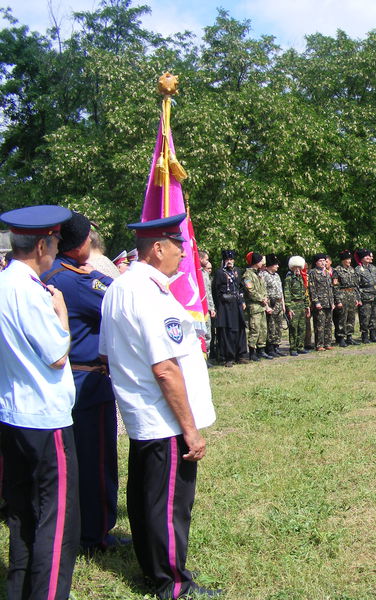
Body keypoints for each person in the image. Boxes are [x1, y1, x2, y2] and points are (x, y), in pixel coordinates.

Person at [99, 213, 220, 599]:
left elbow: (107, 353)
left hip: (143, 414)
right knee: (170, 504)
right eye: (179, 246)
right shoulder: (147, 291)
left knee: (147, 497)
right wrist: (190, 429)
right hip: (164, 418)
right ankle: (172, 581)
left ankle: (155, 568)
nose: (185, 255)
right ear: (158, 248)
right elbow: (166, 369)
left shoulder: (122, 285)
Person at [0, 205, 80, 600]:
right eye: (54, 243)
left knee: (22, 515)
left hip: (12, 413)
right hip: (45, 419)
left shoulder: (2, 283)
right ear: (43, 244)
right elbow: (56, 354)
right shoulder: (31, 291)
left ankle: (18, 589)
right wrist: (62, 315)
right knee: (57, 519)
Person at [40, 210, 124, 554]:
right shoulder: (77, 280)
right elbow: (120, 299)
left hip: (65, 381)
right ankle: (95, 533)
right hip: (89, 383)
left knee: (73, 460)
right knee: (98, 460)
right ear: (85, 242)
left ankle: (82, 527)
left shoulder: (49, 273)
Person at [212, 250, 248, 366]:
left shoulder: (238, 271)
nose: (229, 262)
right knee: (227, 331)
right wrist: (217, 306)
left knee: (240, 328)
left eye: (231, 260)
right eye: (227, 260)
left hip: (236, 304)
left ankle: (240, 355)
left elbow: (241, 288)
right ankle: (228, 357)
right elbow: (216, 291)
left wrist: (242, 300)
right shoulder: (219, 273)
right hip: (225, 305)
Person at [242, 252, 269, 362]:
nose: (262, 263)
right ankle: (252, 352)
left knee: (263, 329)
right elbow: (250, 291)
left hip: (261, 306)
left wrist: (265, 298)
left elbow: (263, 288)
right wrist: (261, 298)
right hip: (254, 306)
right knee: (255, 329)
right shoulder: (248, 275)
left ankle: (261, 350)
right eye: (260, 261)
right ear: (255, 262)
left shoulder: (258, 274)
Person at [333, 250, 362, 347]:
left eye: (350, 259)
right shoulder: (337, 270)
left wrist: (357, 298)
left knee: (351, 317)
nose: (349, 261)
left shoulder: (352, 269)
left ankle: (349, 337)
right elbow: (335, 287)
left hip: (351, 295)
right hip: (343, 295)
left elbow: (356, 285)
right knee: (342, 318)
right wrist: (338, 300)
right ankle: (341, 338)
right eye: (347, 259)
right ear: (342, 260)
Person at [284, 256, 311, 356]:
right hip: (293, 304)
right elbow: (287, 293)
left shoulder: (300, 278)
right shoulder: (289, 278)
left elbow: (304, 293)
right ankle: (293, 348)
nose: (297, 270)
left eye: (299, 268)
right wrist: (289, 308)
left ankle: (300, 346)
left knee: (302, 327)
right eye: (295, 268)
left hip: (301, 304)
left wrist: (307, 305)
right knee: (293, 327)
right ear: (292, 268)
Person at [308, 253, 335, 350]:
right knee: (320, 324)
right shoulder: (313, 273)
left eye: (324, 260)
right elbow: (312, 289)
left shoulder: (327, 273)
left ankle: (327, 343)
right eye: (320, 261)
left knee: (328, 323)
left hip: (328, 302)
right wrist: (316, 302)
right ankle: (319, 344)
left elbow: (330, 288)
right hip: (320, 303)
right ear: (316, 262)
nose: (323, 262)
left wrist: (332, 302)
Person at [355, 249, 376, 343]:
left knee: (374, 317)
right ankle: (365, 336)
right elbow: (356, 286)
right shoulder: (358, 269)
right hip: (365, 297)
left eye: (369, 256)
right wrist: (358, 298)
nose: (369, 257)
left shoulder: (373, 268)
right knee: (365, 317)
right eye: (366, 256)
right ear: (362, 259)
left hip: (374, 296)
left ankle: (374, 335)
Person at [262, 254, 286, 357]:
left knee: (278, 326)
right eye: (275, 264)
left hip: (279, 303)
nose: (277, 266)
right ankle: (270, 347)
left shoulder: (277, 276)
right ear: (270, 265)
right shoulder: (264, 275)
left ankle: (276, 346)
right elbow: (264, 292)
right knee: (271, 326)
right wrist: (267, 306)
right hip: (271, 303)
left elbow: (281, 291)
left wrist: (283, 305)